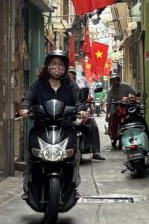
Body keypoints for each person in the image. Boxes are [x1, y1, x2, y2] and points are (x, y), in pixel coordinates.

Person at [21, 50, 82, 198]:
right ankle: (28, 185)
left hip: (65, 127)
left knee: (74, 154)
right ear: (47, 65)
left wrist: (82, 110)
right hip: (42, 127)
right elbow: (28, 98)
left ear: (65, 67)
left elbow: (79, 101)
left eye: (60, 64)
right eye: (53, 63)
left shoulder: (71, 85)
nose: (56, 67)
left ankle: (73, 186)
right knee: (30, 154)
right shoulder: (37, 85)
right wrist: (24, 108)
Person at [68, 66, 105, 161]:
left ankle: (96, 152)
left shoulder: (82, 80)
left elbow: (90, 89)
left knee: (93, 126)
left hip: (82, 110)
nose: (71, 75)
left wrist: (91, 97)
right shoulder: (62, 83)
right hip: (68, 112)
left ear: (75, 74)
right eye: (69, 73)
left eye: (73, 73)